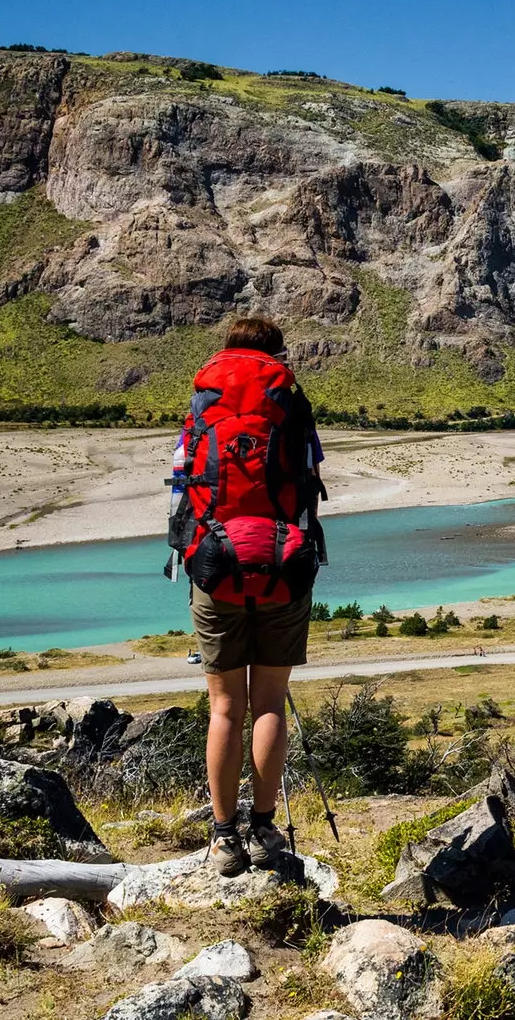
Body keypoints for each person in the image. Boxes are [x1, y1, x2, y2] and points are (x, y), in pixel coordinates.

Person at [181, 316, 324, 876]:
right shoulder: (289, 398)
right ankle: (264, 830)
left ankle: (222, 839)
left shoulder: (203, 401)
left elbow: (182, 483)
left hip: (215, 565)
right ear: (277, 352)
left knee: (224, 708)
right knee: (268, 702)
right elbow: (312, 483)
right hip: (283, 565)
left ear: (225, 350)